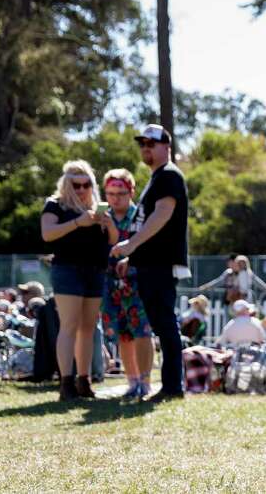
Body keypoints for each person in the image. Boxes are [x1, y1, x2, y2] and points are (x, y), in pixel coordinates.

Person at [110, 124, 189, 403]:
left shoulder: (168, 175)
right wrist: (134, 256)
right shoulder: (157, 177)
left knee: (165, 324)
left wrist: (131, 244)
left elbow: (163, 214)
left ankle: (172, 386)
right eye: (142, 144)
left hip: (162, 264)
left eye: (151, 144)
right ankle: (170, 385)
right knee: (161, 323)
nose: (146, 148)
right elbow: (150, 223)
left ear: (167, 147)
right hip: (150, 262)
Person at [40, 160, 108, 401]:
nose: (81, 189)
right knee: (69, 325)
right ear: (66, 184)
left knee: (88, 328)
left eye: (85, 184)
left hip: (95, 271)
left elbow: (112, 240)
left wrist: (104, 222)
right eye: (75, 185)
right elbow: (47, 233)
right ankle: (66, 383)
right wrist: (78, 222)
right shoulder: (55, 204)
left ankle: (84, 381)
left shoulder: (97, 209)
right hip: (67, 270)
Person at [99, 168, 155, 400]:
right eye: (111, 193)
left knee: (143, 331)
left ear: (131, 191)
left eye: (121, 193)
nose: (115, 198)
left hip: (137, 281)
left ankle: (145, 381)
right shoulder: (101, 218)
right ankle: (131, 381)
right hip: (111, 285)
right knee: (123, 335)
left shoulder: (140, 217)